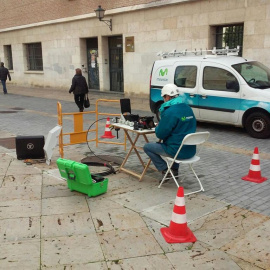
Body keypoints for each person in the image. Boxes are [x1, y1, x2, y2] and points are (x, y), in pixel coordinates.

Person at [144, 83, 197, 182]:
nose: (163, 100)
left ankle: (165, 170)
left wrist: (158, 127)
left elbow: (160, 134)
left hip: (177, 151)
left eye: (164, 97)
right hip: (190, 150)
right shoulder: (187, 108)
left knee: (147, 147)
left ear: (167, 97)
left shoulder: (170, 112)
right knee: (178, 143)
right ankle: (174, 170)